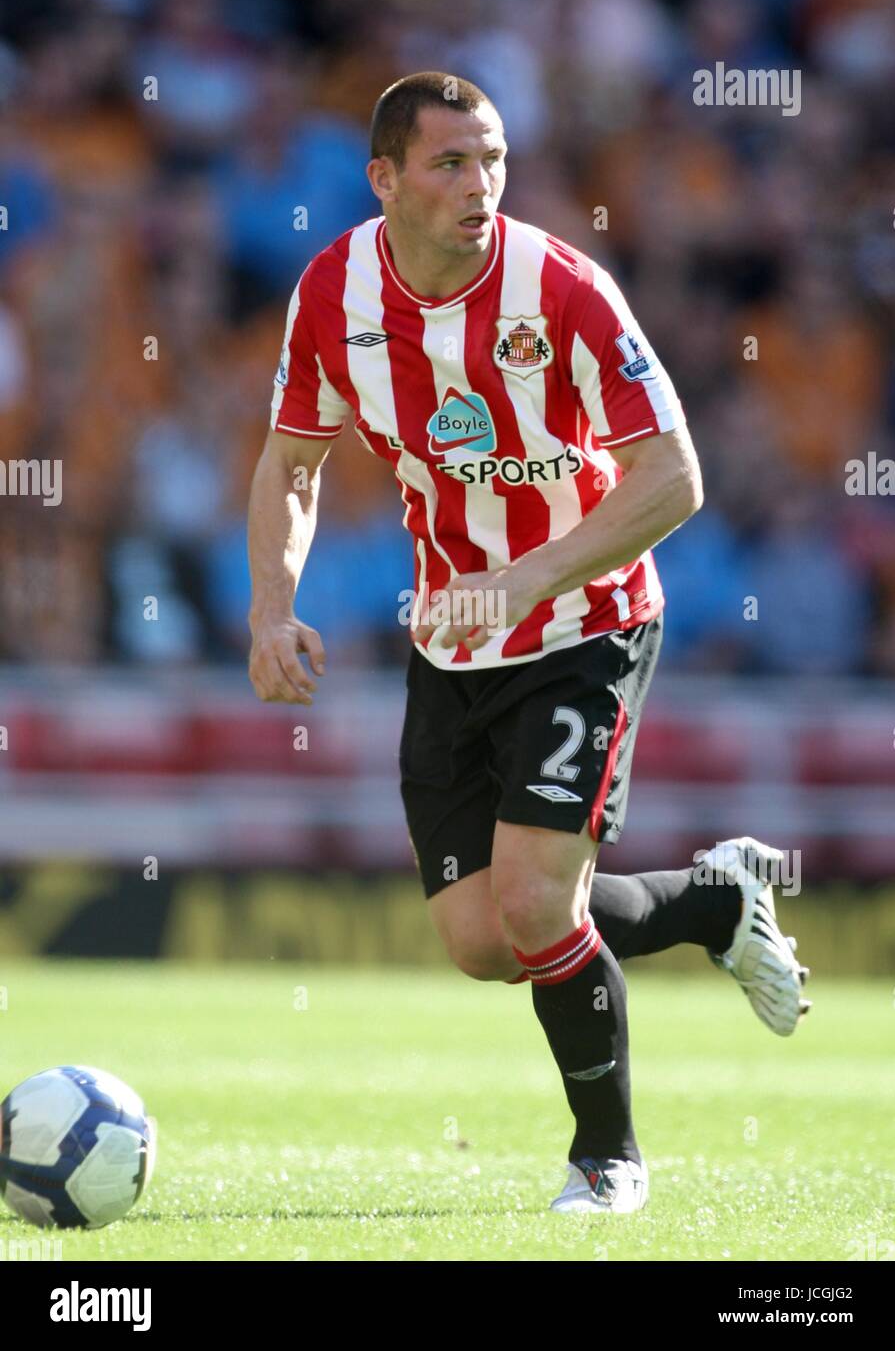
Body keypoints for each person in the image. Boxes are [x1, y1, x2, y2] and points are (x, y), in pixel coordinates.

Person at [247, 72, 811, 1214]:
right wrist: (271, 602)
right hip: (455, 645)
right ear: (385, 179)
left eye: (494, 159)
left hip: (584, 624)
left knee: (538, 904)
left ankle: (609, 1160)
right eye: (451, 163)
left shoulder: (563, 288)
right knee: (480, 939)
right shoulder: (332, 294)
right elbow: (293, 460)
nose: (481, 184)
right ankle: (715, 904)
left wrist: (525, 579)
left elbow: (676, 477)